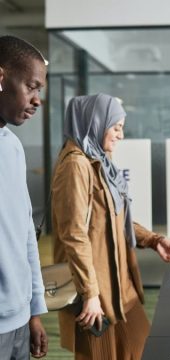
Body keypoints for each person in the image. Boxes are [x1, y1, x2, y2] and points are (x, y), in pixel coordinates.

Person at [51, 93, 170, 360]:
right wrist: (90, 294)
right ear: (95, 122)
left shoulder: (100, 163)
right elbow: (74, 235)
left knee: (141, 349)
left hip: (121, 288)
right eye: (116, 127)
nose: (121, 135)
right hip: (97, 293)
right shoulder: (76, 165)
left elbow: (115, 217)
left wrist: (153, 239)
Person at [0, 35, 48, 359]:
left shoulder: (13, 146)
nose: (37, 100)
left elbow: (25, 233)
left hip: (18, 319)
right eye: (31, 86)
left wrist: (34, 310)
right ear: (1, 78)